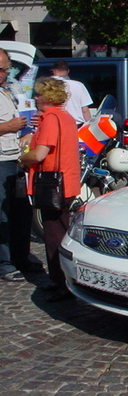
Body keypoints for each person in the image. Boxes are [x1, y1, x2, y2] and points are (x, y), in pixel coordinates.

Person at [19, 77, 81, 302]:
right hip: (68, 182)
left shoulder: (50, 119)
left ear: (46, 97)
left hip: (53, 185)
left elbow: (39, 154)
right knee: (63, 231)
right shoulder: (64, 116)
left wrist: (22, 158)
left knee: (54, 235)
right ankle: (67, 280)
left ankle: (62, 283)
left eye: (38, 94)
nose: (35, 97)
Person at [0, 48, 42, 282]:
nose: (4, 73)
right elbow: (8, 125)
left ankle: (21, 257)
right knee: (3, 215)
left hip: (17, 157)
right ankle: (4, 263)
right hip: (0, 161)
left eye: (6, 68)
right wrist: (7, 127)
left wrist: (34, 122)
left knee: (21, 212)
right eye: (1, 69)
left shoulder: (9, 90)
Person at [50, 59, 93, 126]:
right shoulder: (79, 85)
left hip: (55, 124)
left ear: (54, 70)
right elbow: (85, 110)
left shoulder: (48, 85)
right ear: (68, 71)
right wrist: (90, 126)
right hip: (75, 125)